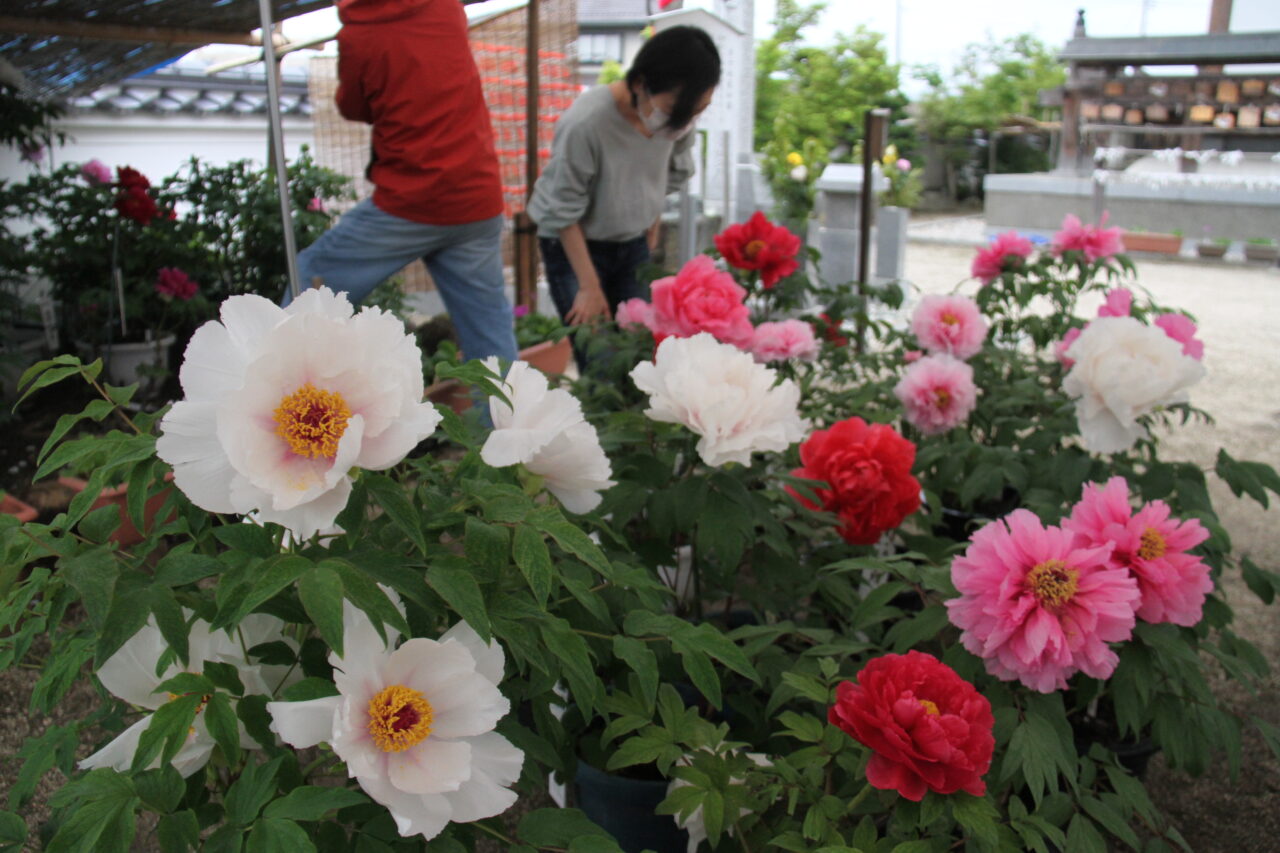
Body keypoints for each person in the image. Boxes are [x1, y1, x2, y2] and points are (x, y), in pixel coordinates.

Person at [287, 0, 518, 368]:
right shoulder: (446, 7)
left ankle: (279, 393)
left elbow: (353, 107)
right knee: (490, 339)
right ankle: (508, 423)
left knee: (308, 286)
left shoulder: (358, 33)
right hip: (476, 197)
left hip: (411, 201)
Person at [527, 25, 721, 370]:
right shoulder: (586, 123)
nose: (683, 121)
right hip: (576, 246)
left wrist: (650, 213)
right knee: (601, 361)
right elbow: (562, 210)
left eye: (697, 109)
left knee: (640, 355)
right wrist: (588, 286)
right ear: (639, 84)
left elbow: (671, 173)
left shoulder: (679, 120)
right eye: (677, 108)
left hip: (632, 244)